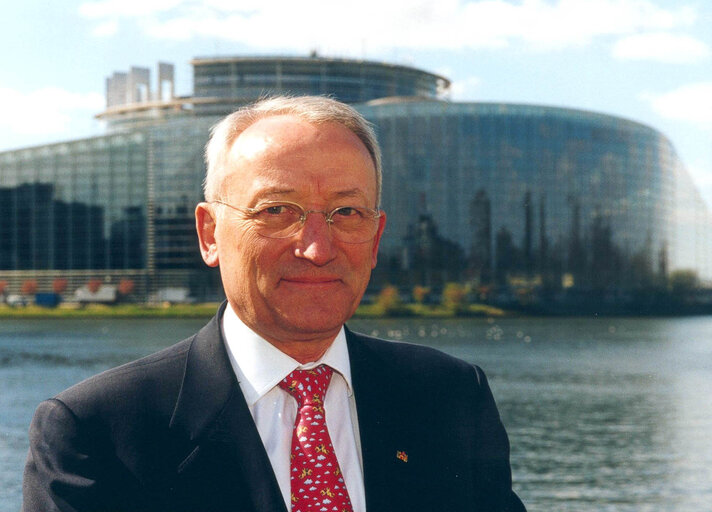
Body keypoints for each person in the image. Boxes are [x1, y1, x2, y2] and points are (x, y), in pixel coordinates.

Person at [23, 96, 526, 512]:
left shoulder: (452, 396)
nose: (316, 247)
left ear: (375, 240)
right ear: (209, 233)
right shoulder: (96, 432)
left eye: (346, 212)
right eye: (277, 210)